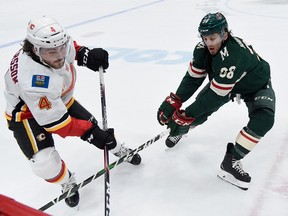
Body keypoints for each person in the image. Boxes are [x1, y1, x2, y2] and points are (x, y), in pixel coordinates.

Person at [4, 16, 141, 208]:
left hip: (59, 100)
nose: (60, 56)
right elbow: (58, 123)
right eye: (53, 52)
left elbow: (69, 49)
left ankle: (117, 148)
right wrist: (90, 133)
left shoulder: (52, 46)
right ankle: (66, 181)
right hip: (26, 116)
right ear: (35, 50)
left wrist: (85, 55)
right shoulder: (34, 81)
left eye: (62, 47)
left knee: (96, 130)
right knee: (45, 163)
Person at [157, 12, 275, 190]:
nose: (208, 43)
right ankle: (181, 129)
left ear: (224, 34)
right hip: (226, 83)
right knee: (200, 111)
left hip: (255, 84)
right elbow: (193, 78)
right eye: (205, 38)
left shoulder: (234, 55)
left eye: (212, 38)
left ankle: (231, 161)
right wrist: (175, 100)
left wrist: (185, 114)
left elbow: (213, 97)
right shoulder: (201, 49)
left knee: (264, 119)